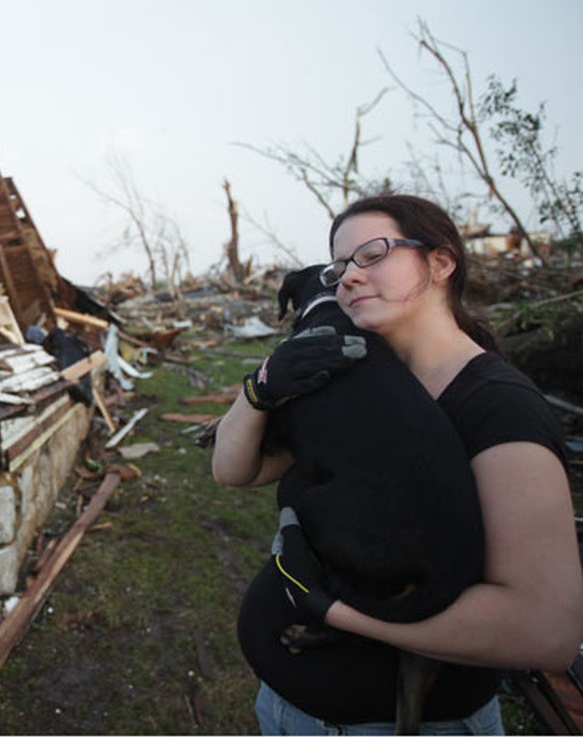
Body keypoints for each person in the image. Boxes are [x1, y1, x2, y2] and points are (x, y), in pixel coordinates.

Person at [212, 194, 583, 735]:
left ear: (440, 262)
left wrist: (330, 609)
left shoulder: (500, 408)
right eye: (339, 267)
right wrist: (258, 391)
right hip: (289, 711)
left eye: (373, 254)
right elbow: (234, 470)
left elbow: (544, 631)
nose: (347, 279)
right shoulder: (356, 379)